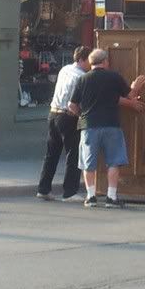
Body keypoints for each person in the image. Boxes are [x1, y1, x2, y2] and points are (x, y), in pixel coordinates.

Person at [68, 48, 145, 208]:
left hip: (89, 125)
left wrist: (81, 115)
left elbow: (72, 104)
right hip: (111, 124)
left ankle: (90, 197)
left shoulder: (83, 79)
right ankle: (111, 197)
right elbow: (129, 96)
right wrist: (135, 86)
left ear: (90, 62)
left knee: (88, 163)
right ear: (105, 62)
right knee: (114, 162)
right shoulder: (114, 77)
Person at [36, 46, 91, 202]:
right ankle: (69, 192)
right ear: (81, 59)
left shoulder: (64, 69)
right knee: (73, 154)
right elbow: (77, 103)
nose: (90, 63)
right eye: (89, 60)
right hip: (69, 116)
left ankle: (43, 188)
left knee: (51, 153)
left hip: (53, 113)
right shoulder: (82, 77)